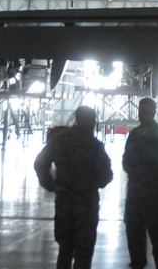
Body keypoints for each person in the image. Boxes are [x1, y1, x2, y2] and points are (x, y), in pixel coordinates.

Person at [34, 105, 114, 269]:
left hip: (65, 202)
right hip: (87, 203)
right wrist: (96, 183)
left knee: (65, 250)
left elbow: (40, 163)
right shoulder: (94, 145)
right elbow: (105, 176)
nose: (94, 123)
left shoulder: (60, 140)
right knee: (84, 253)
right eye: (92, 119)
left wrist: (52, 185)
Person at [123, 97, 158, 269]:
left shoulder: (137, 135)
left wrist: (136, 172)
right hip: (155, 194)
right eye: (140, 110)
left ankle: (139, 263)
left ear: (152, 112)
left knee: (135, 232)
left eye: (143, 111)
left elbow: (126, 162)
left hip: (139, 193)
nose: (140, 114)